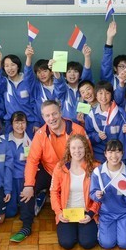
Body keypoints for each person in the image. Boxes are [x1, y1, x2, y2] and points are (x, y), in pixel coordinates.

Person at [12, 100, 87, 242]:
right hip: (49, 172)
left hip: (72, 172)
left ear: (60, 112)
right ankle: (26, 225)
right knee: (27, 189)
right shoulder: (40, 134)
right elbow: (32, 160)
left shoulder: (77, 130)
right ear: (43, 117)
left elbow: (87, 155)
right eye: (47, 116)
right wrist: (29, 185)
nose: (51, 118)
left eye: (54, 114)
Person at [50, 134, 100, 250]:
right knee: (67, 243)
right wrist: (58, 212)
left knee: (88, 243)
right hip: (67, 213)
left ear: (86, 148)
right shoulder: (60, 167)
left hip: (86, 212)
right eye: (73, 148)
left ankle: (83, 230)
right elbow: (53, 192)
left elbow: (99, 196)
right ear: (69, 149)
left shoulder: (95, 167)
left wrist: (91, 214)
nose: (77, 151)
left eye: (80, 147)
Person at [90, 140, 126, 249]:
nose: (114, 156)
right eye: (110, 152)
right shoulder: (97, 172)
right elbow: (92, 193)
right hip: (107, 213)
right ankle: (102, 229)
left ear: (122, 153)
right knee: (107, 244)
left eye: (117, 152)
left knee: (125, 244)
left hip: (125, 213)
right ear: (105, 154)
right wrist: (96, 195)